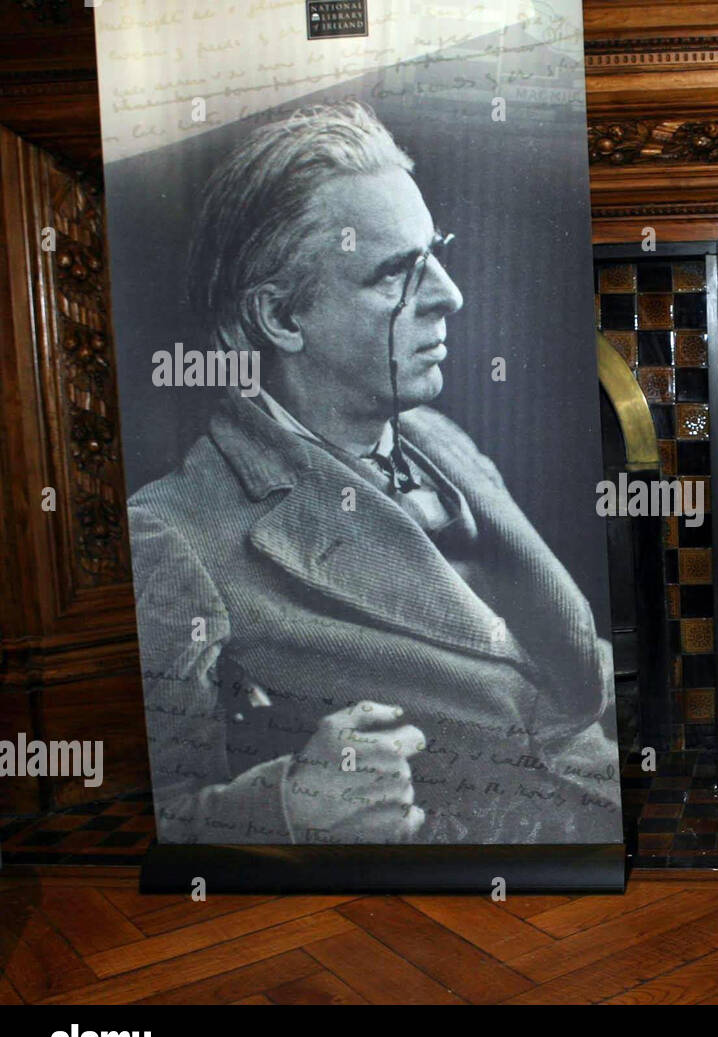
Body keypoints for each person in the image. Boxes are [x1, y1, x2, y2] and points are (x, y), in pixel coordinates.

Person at [129, 101, 617, 847]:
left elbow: (559, 668)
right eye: (396, 274)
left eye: (436, 253)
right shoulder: (174, 532)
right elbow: (165, 810)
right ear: (282, 318)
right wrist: (293, 803)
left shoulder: (441, 438)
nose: (450, 294)